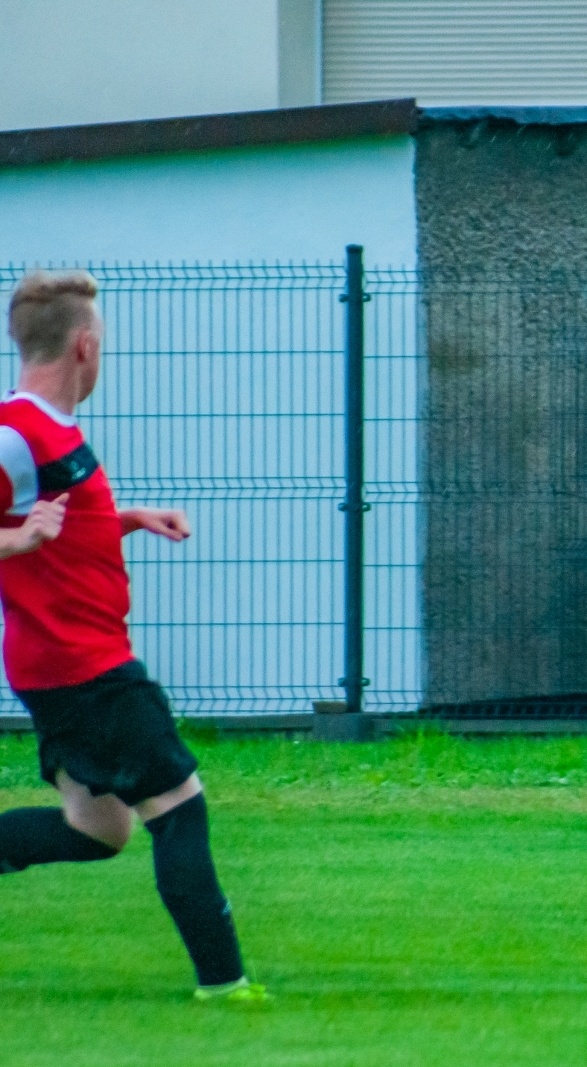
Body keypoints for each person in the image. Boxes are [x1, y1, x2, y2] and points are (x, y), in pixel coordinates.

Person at [0, 270, 266, 1001]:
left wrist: (126, 517)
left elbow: (55, 525)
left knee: (96, 831)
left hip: (60, 663)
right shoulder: (14, 432)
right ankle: (225, 983)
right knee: (181, 806)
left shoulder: (50, 432)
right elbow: (22, 531)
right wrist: (19, 542)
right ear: (85, 344)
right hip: (85, 665)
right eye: (104, 342)